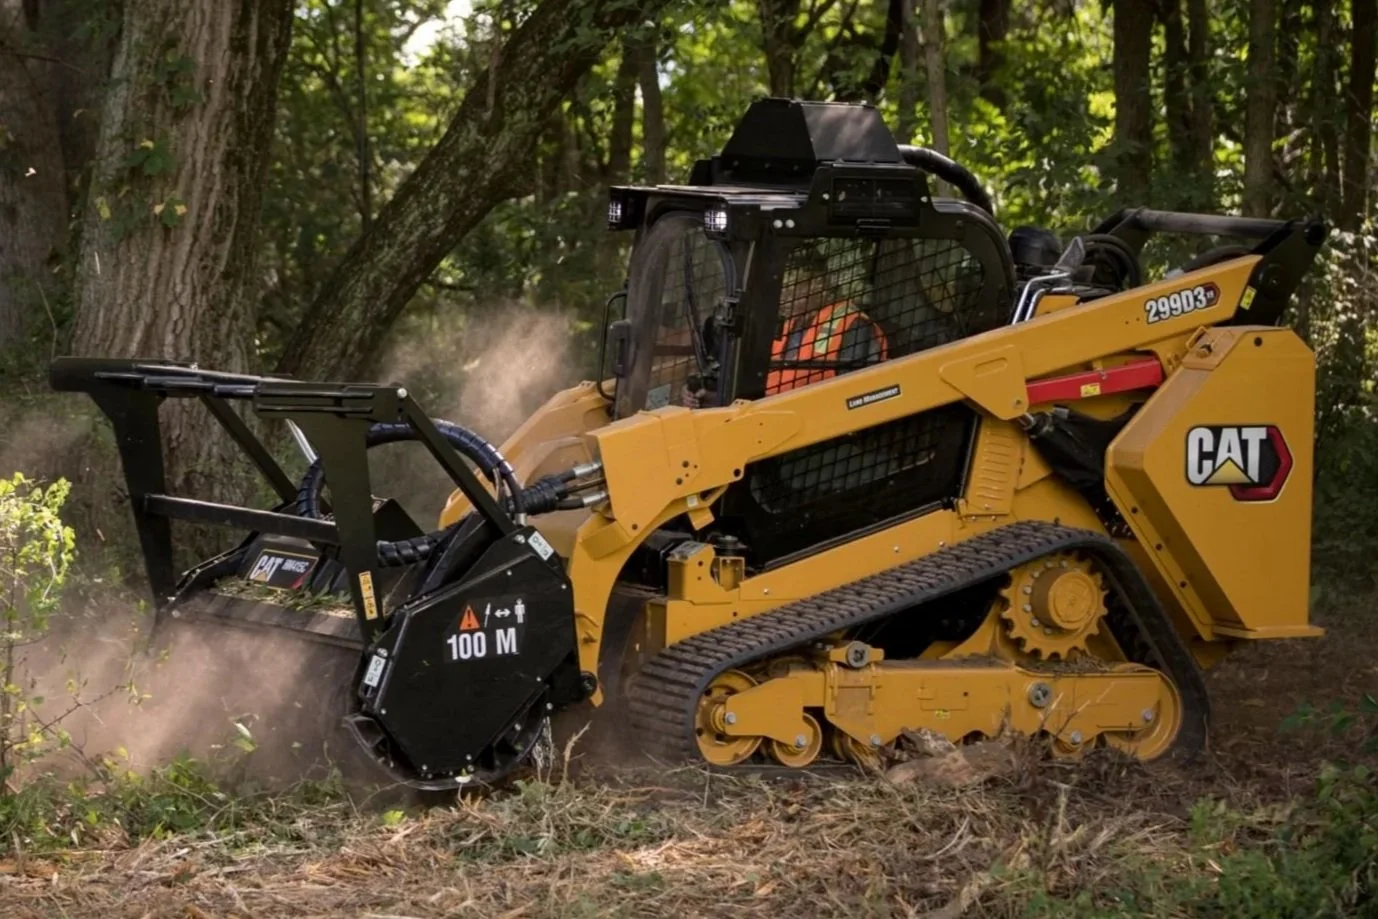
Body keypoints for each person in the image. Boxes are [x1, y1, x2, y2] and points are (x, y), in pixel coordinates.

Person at [680, 260, 889, 406]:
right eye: (784, 288)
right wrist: (713, 397)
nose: (784, 296)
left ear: (818, 285)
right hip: (771, 423)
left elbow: (860, 400)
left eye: (793, 287)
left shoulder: (854, 326)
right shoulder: (787, 325)